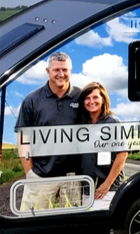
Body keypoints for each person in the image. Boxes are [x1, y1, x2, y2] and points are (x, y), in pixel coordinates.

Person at [15, 52, 82, 210]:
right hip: (41, 177)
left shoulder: (82, 97)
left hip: (73, 179)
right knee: (34, 225)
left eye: (65, 70)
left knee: (71, 226)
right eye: (56, 70)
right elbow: (23, 136)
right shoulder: (32, 100)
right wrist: (30, 172)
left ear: (71, 70)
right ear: (48, 71)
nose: (61, 74)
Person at [76, 81, 127, 210]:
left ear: (103, 100)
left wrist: (107, 184)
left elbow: (122, 154)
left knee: (101, 225)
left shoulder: (112, 122)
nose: (91, 101)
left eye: (95, 97)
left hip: (107, 189)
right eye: (87, 98)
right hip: (87, 188)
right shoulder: (83, 124)